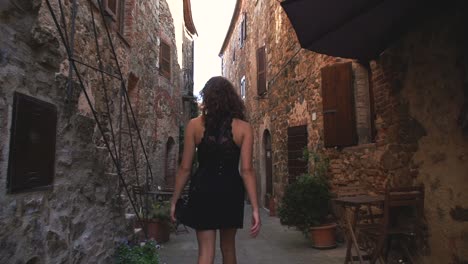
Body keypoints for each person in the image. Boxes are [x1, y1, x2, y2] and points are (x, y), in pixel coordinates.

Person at [170, 76, 261, 264]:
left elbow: (185, 168)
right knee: (228, 248)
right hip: (231, 191)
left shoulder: (194, 126)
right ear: (232, 98)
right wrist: (255, 207)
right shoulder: (244, 128)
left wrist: (174, 200)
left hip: (203, 190)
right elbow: (247, 170)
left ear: (208, 97)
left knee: (205, 251)